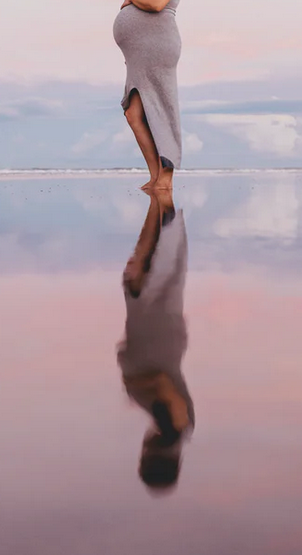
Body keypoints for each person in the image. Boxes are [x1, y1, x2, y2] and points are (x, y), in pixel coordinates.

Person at [117, 190, 194, 494]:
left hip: (155, 333)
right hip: (155, 332)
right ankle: (161, 195)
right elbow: (160, 381)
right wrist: (135, 388)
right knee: (157, 259)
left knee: (160, 259)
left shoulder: (174, 427)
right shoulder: (173, 427)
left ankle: (162, 198)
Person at [113, 0, 188, 191]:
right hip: (139, 54)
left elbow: (158, 3)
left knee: (160, 109)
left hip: (158, 49)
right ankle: (156, 176)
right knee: (133, 114)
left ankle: (165, 179)